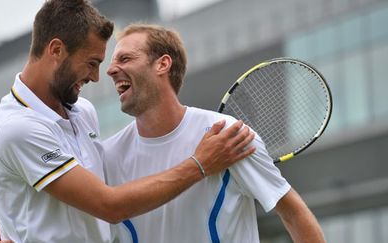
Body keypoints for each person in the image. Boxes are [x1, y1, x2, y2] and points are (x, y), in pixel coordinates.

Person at [0, 1, 256, 242]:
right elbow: (109, 205)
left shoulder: (84, 111)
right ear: (56, 50)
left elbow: (99, 212)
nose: (96, 77)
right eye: (91, 63)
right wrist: (201, 164)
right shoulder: (16, 128)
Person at [102, 24, 326, 243]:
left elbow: (293, 213)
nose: (110, 70)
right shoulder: (107, 155)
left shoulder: (230, 136)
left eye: (125, 59)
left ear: (163, 64)